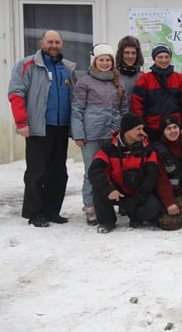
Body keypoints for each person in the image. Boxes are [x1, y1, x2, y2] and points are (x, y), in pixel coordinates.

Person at [8, 30, 77, 227]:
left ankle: (52, 210)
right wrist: (22, 122)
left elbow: (74, 97)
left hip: (61, 126)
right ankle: (35, 212)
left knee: (58, 171)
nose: (53, 45)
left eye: (57, 42)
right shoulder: (27, 65)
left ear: (61, 44)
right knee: (37, 171)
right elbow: (16, 93)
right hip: (38, 127)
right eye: (50, 41)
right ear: (42, 43)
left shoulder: (66, 68)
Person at [71, 43, 127, 226]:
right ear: (95, 62)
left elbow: (123, 109)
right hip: (91, 134)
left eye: (108, 60)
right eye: (101, 60)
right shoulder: (84, 82)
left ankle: (106, 205)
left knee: (111, 170)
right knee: (91, 170)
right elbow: (77, 110)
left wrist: (122, 132)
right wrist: (78, 134)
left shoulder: (118, 82)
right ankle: (90, 206)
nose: (104, 63)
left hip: (112, 133)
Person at [88, 113, 163, 233]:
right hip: (116, 190)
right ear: (127, 130)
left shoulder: (148, 149)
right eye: (138, 129)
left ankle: (136, 218)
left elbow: (151, 177)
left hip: (138, 191)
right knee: (99, 189)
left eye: (142, 128)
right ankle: (107, 221)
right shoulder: (108, 148)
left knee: (153, 207)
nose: (142, 132)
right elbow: (95, 171)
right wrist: (109, 189)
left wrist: (137, 199)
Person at [131, 44, 182, 141]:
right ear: (154, 59)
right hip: (152, 129)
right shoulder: (144, 79)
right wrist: (141, 127)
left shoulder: (180, 79)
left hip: (174, 129)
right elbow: (137, 107)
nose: (164, 60)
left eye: (166, 57)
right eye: (160, 57)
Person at [115, 35, 144, 107]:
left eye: (133, 53)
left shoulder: (143, 77)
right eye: (127, 53)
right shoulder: (113, 75)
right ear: (121, 54)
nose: (130, 56)